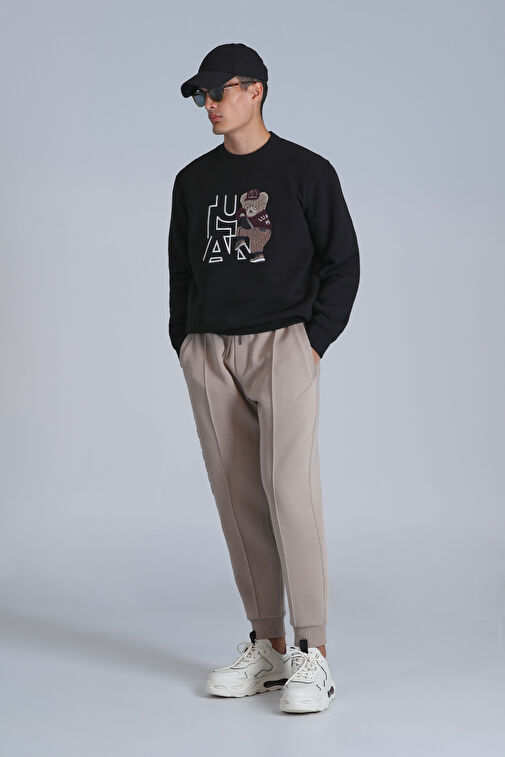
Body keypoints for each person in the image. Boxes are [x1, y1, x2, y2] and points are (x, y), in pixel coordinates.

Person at [168, 42, 360, 714]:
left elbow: (342, 261)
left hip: (283, 345)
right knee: (237, 498)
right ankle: (269, 644)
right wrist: (185, 340)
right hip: (209, 351)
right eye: (202, 96)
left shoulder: (306, 171)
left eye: (218, 92)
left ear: (255, 90)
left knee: (289, 492)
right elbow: (181, 268)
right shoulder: (191, 181)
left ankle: (314, 650)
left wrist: (312, 342)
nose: (209, 105)